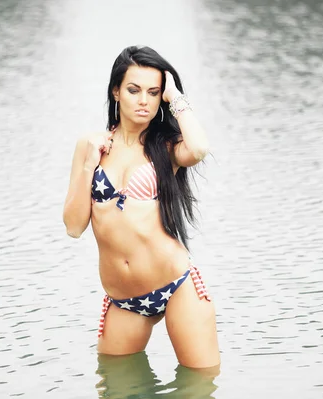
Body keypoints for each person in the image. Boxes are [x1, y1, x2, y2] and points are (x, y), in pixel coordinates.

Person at [63, 45, 220, 369]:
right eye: (134, 90)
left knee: (198, 387)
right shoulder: (90, 146)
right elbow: (74, 227)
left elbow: (200, 148)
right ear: (116, 91)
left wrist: (174, 95)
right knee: (116, 387)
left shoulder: (166, 146)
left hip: (177, 285)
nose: (144, 100)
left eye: (153, 92)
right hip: (123, 300)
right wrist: (88, 167)